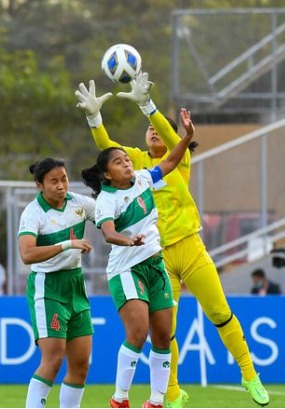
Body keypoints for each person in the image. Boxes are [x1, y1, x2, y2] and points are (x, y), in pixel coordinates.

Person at [75, 74, 269, 407]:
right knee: (166, 331)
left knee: (220, 313)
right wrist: (95, 117)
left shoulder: (178, 162)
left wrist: (147, 105)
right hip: (155, 256)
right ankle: (173, 394)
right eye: (148, 128)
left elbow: (170, 135)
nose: (153, 131)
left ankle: (250, 375)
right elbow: (106, 147)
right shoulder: (135, 165)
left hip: (191, 248)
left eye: (159, 128)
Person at [81, 123, 195, 408]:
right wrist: (127, 241)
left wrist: (188, 137)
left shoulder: (144, 178)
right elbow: (107, 232)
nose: (127, 163)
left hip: (155, 265)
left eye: (127, 159)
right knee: (138, 332)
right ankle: (120, 398)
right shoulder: (108, 199)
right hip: (127, 270)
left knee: (163, 335)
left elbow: (170, 162)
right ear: (107, 174)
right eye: (118, 162)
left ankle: (156, 401)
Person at [18, 158, 96, 409]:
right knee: (52, 361)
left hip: (75, 283)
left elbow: (109, 217)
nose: (61, 185)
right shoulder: (33, 213)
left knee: (81, 364)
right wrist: (67, 244)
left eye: (64, 179)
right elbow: (27, 255)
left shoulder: (78, 203)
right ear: (39, 185)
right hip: (47, 286)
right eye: (54, 181)